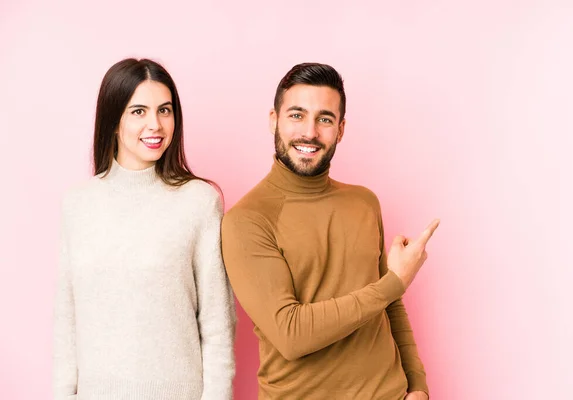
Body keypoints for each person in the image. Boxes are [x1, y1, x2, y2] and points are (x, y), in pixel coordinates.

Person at [222, 63, 439, 399]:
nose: (309, 132)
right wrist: (394, 282)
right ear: (273, 120)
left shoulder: (364, 203)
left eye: (324, 119)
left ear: (340, 129)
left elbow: (390, 306)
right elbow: (291, 334)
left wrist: (418, 384)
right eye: (296, 115)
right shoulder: (247, 220)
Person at [53, 58, 236, 400]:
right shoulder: (77, 204)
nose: (156, 124)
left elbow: (217, 326)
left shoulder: (199, 201)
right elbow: (67, 321)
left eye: (164, 110)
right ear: (113, 120)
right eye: (139, 111)